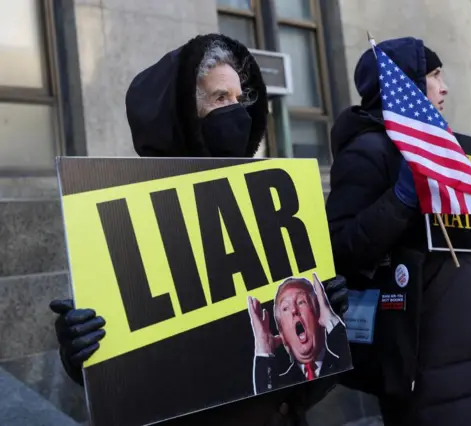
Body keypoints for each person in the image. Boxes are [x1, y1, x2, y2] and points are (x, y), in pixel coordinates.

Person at [49, 33, 349, 426]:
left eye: (240, 100)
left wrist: (327, 321)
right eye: (220, 98)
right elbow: (125, 383)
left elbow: (300, 383)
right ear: (183, 115)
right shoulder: (127, 219)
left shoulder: (266, 206)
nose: (236, 111)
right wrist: (81, 355)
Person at [325, 36, 471, 426]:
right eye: (432, 75)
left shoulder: (449, 149)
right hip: (430, 364)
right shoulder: (369, 153)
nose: (444, 87)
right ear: (405, 85)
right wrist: (402, 197)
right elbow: (340, 248)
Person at [250, 274, 350, 394]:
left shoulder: (342, 361)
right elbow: (265, 405)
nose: (294, 310)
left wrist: (331, 321)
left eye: (301, 302)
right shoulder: (279, 385)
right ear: (282, 333)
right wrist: (263, 348)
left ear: (318, 314)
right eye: (285, 308)